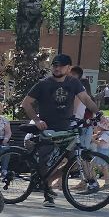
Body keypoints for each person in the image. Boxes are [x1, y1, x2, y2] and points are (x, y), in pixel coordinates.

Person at [20, 53, 99, 204]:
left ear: (68, 68)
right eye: (55, 65)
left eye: (61, 66)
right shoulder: (43, 84)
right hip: (47, 129)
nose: (57, 68)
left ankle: (47, 182)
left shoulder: (73, 83)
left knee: (74, 160)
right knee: (45, 162)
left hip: (65, 129)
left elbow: (86, 99)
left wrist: (98, 113)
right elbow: (26, 103)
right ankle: (47, 194)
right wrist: (37, 120)